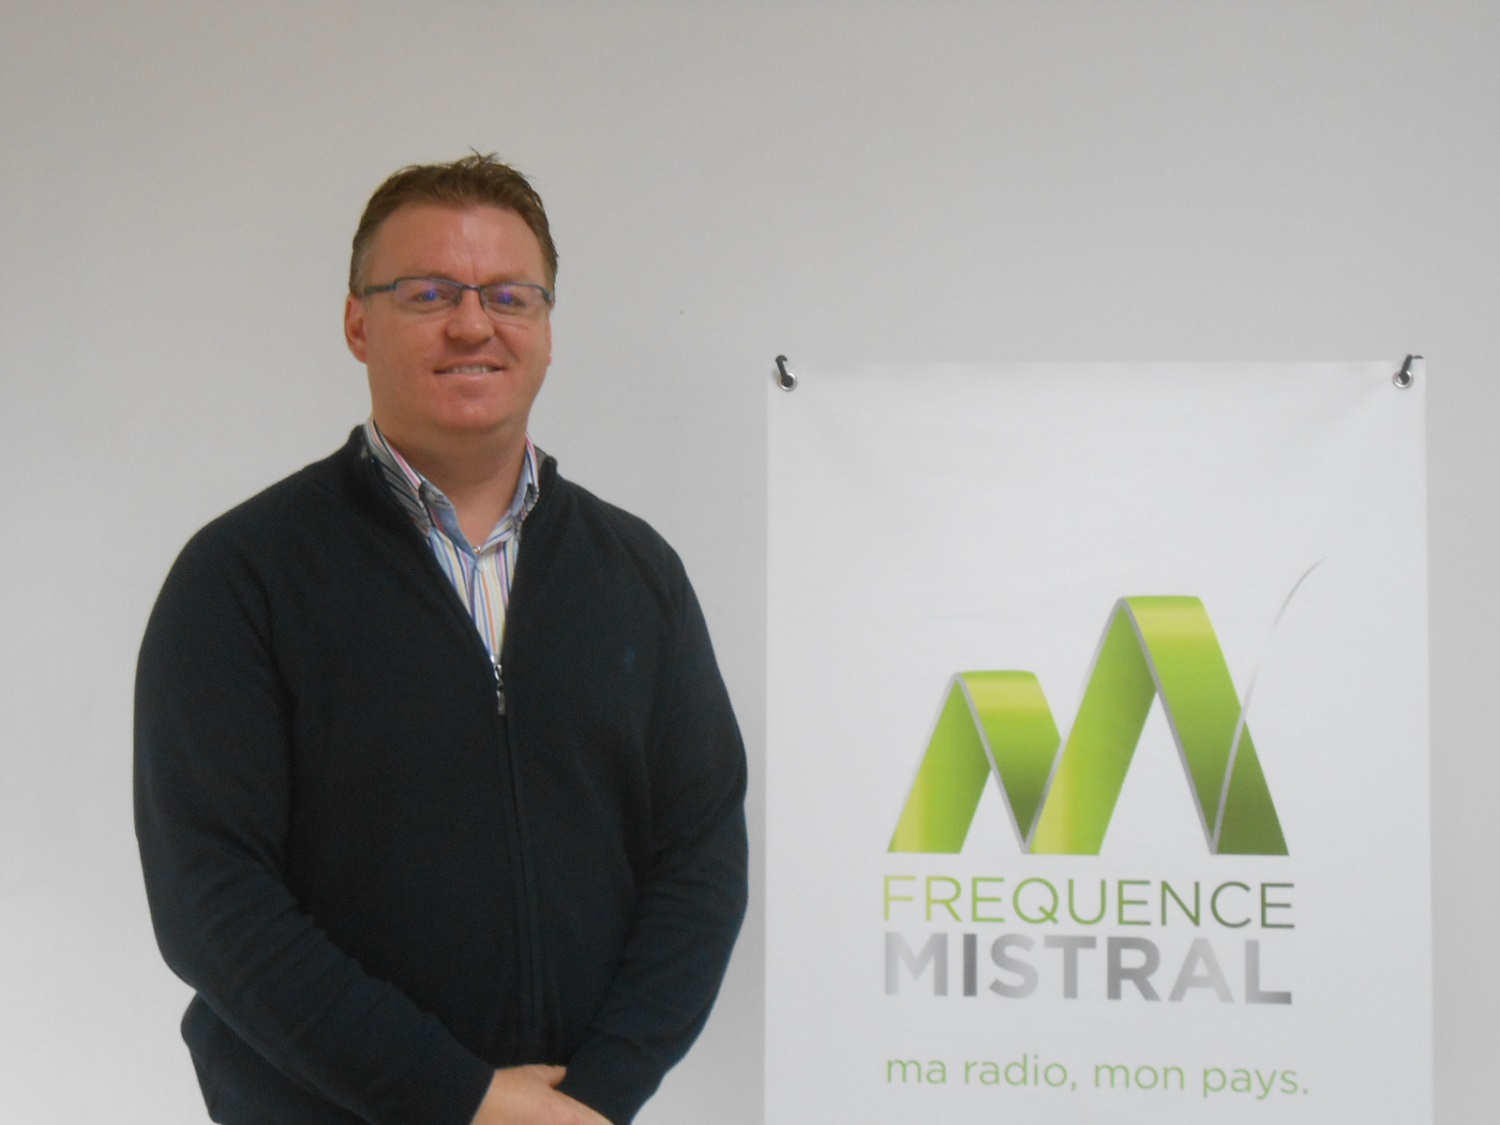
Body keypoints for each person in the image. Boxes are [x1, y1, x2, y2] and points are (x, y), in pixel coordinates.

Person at [134, 154, 749, 1125]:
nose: (473, 323)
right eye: (428, 293)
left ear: (547, 327)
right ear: (357, 323)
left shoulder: (639, 575)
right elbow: (210, 898)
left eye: (509, 295)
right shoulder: (243, 577)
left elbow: (700, 858)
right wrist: (464, 1100)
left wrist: (593, 1099)